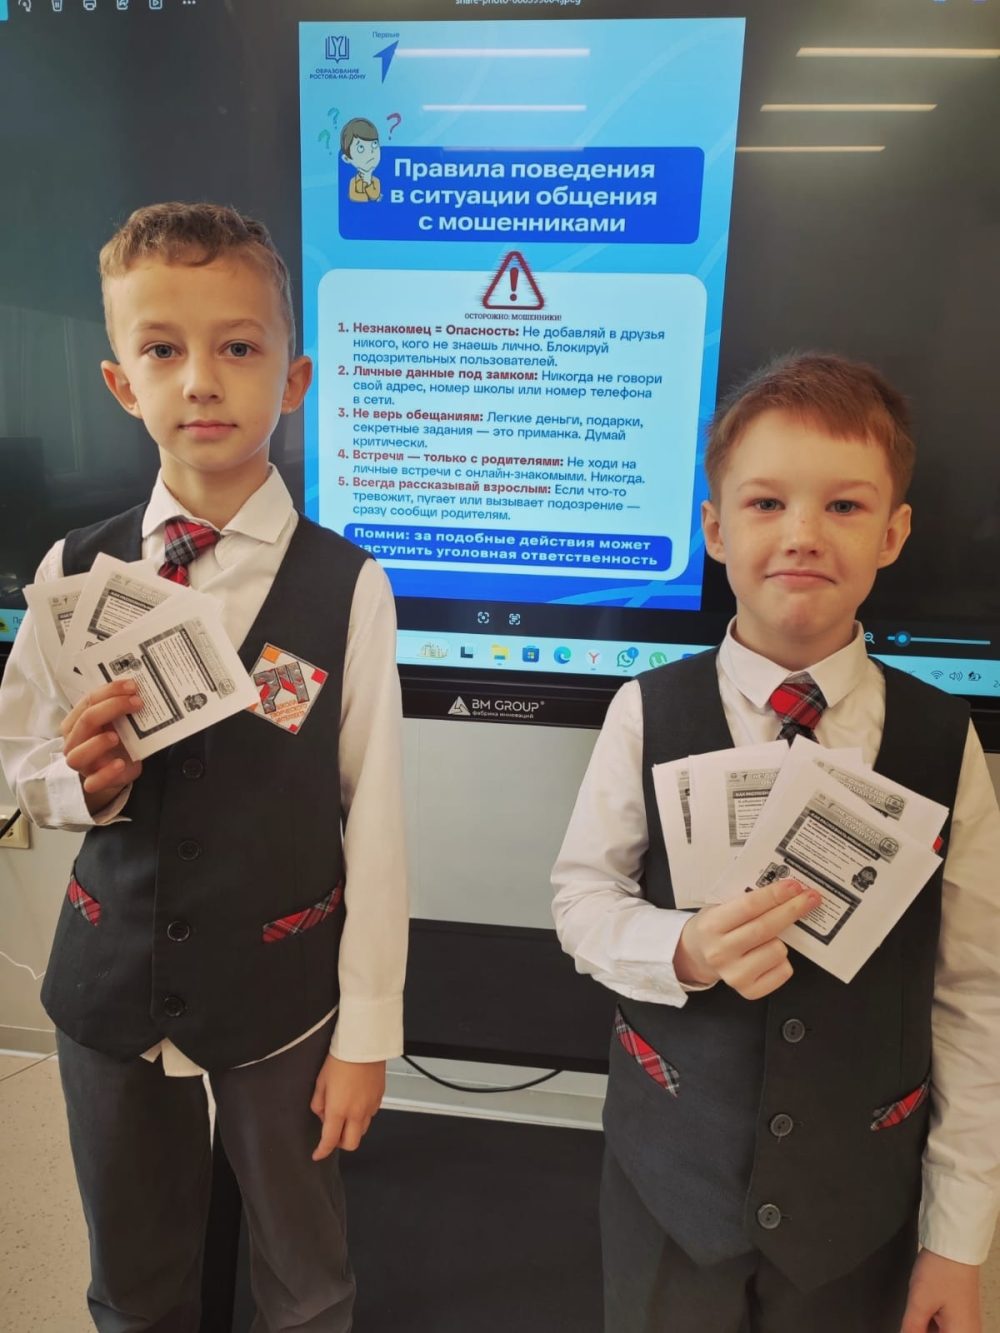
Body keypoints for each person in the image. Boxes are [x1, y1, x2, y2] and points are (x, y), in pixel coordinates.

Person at [0, 201, 408, 1332]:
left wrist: (368, 1033)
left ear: (295, 377)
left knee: (306, 1276)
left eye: (237, 346)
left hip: (284, 993)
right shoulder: (71, 568)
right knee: (132, 1277)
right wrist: (71, 784)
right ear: (121, 383)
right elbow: (13, 757)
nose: (200, 381)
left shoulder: (349, 586)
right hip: (106, 986)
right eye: (161, 349)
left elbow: (376, 819)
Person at [551, 354, 1000, 1333]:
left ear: (893, 534)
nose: (801, 533)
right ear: (715, 530)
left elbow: (974, 991)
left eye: (843, 506)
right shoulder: (644, 710)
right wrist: (681, 948)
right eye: (765, 503)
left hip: (858, 1214)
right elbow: (581, 901)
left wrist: (959, 1240)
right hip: (672, 1194)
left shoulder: (942, 739)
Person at [340, 117, 381, 203]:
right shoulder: (353, 181)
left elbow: (375, 196)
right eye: (361, 148)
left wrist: (368, 182)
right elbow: (353, 196)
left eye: (374, 144)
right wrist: (368, 198)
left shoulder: (376, 181)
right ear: (347, 159)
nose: (371, 152)